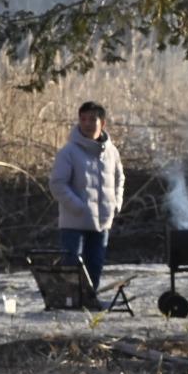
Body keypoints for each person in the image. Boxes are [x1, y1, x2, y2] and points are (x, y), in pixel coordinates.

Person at [50, 101, 124, 303]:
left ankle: (89, 300)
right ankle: (71, 301)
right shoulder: (68, 152)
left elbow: (119, 178)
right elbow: (57, 184)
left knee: (96, 263)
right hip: (75, 222)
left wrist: (116, 203)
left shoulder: (112, 152)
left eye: (92, 119)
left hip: (102, 222)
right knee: (73, 264)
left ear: (103, 123)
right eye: (83, 119)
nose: (87, 123)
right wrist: (79, 207)